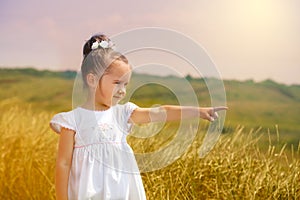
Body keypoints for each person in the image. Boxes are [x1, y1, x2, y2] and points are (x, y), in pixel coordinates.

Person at [50, 33, 228, 200]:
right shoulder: (73, 121)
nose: (122, 91)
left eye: (126, 84)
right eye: (117, 83)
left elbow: (160, 112)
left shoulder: (122, 113)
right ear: (92, 80)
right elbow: (63, 164)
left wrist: (198, 111)